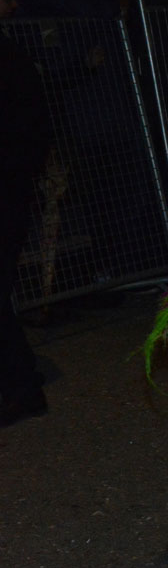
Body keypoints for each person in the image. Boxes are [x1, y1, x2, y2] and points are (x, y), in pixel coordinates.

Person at [0, 34, 51, 426]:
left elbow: (28, 127)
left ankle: (22, 387)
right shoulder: (13, 55)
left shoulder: (10, 58)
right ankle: (21, 381)